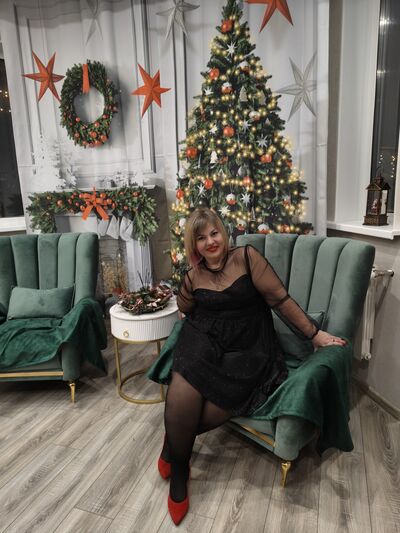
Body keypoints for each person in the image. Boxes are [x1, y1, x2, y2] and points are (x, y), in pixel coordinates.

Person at [159, 208, 346, 525]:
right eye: (201, 238)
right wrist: (190, 316)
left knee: (220, 403)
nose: (210, 241)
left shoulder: (246, 257)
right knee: (184, 381)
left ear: (223, 232)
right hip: (204, 338)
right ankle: (179, 472)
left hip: (250, 346)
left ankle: (173, 445)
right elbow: (185, 307)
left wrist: (314, 334)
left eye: (214, 233)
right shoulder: (193, 277)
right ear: (194, 244)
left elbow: (280, 300)